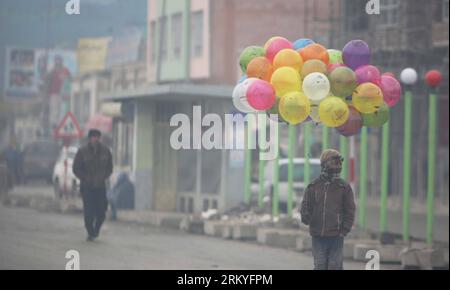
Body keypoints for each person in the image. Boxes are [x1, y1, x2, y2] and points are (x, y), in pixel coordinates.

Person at [300, 149, 356, 270]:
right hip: (318, 235)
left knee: (334, 266)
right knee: (320, 266)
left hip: (336, 235)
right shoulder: (313, 186)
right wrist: (306, 216)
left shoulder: (344, 187)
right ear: (324, 164)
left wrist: (344, 229)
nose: (337, 166)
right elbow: (305, 207)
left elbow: (350, 210)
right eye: (334, 162)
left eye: (339, 163)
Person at [73, 129, 113, 241]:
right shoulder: (82, 152)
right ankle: (90, 232)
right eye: (93, 137)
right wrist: (85, 178)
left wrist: (104, 176)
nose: (95, 139)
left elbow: (110, 167)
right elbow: (76, 168)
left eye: (97, 137)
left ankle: (96, 230)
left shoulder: (105, 151)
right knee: (89, 213)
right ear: (90, 138)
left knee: (101, 212)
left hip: (100, 187)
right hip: (87, 187)